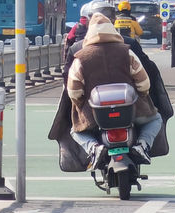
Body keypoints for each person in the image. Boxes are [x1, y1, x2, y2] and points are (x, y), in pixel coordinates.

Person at [66, 12, 162, 168]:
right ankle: (142, 145)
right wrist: (142, 96)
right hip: (131, 111)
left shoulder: (81, 57)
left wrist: (80, 105)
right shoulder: (126, 52)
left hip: (95, 115)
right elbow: (143, 82)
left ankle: (93, 147)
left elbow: (74, 90)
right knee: (156, 119)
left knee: (76, 131)